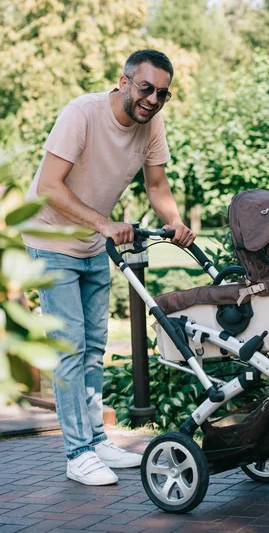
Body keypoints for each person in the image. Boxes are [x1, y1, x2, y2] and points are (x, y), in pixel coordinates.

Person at [22, 49, 195, 486]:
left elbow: (157, 184)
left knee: (95, 346)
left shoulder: (151, 124)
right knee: (69, 346)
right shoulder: (81, 114)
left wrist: (174, 222)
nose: (153, 99)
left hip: (92, 240)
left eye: (162, 93)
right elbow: (47, 187)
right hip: (51, 237)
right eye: (145, 88)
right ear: (123, 82)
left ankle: (97, 440)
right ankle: (77, 453)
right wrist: (104, 222)